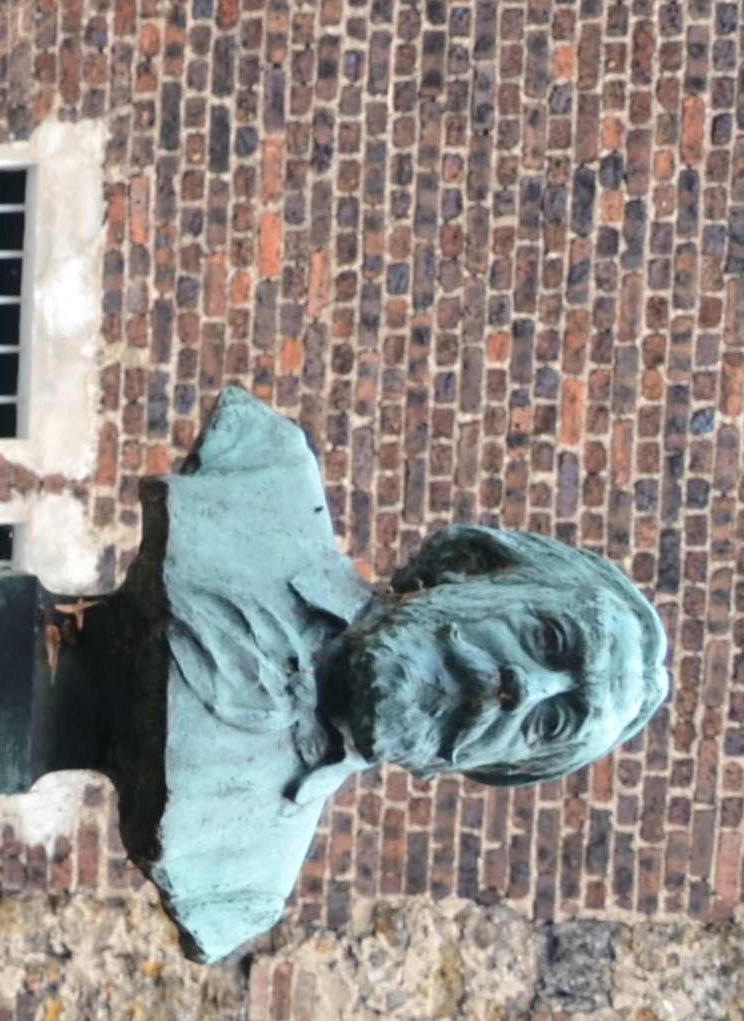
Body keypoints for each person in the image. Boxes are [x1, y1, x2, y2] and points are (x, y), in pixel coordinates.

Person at [106, 389, 671, 961]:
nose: (524, 690)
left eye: (551, 723)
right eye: (546, 640)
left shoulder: (245, 883)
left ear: (492, 768)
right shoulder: (266, 469)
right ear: (468, 565)